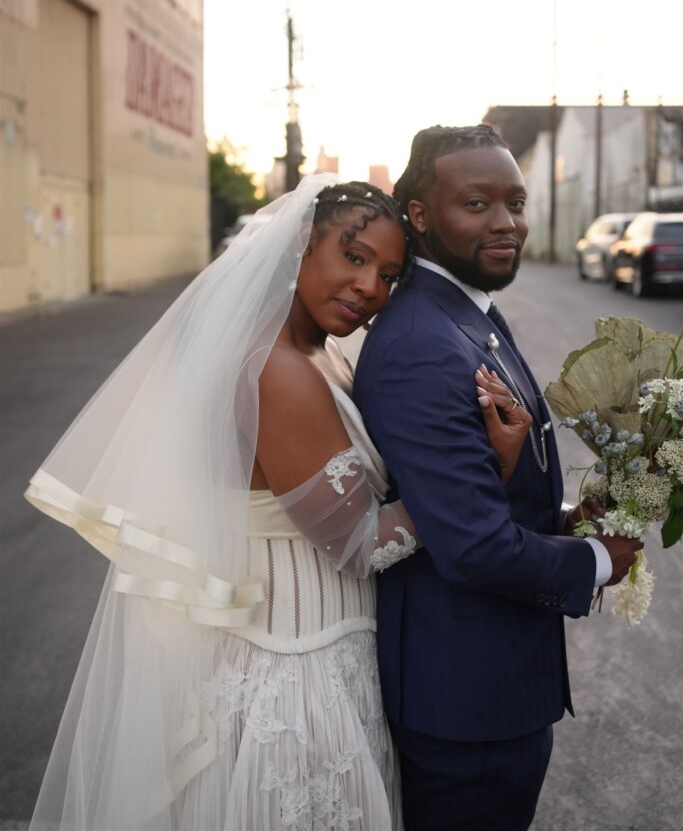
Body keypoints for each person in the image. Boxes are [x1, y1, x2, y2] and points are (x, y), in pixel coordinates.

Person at [25, 173, 529, 831]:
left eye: (387, 274)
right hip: (297, 673)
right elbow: (358, 547)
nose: (369, 289)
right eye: (353, 258)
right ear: (299, 244)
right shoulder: (277, 370)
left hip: (308, 653)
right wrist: (485, 469)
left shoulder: (311, 355)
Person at [353, 126, 644, 831]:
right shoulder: (421, 345)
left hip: (492, 684)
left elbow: (473, 490)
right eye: (476, 204)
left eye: (514, 202)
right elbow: (472, 546)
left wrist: (571, 511)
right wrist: (601, 561)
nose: (506, 222)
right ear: (419, 216)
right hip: (464, 705)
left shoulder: (468, 308)